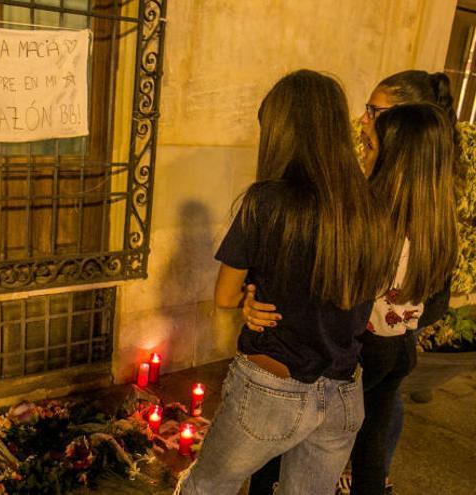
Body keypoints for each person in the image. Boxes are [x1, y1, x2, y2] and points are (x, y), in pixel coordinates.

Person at [175, 70, 392, 495]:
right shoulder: (369, 205)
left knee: (207, 487)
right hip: (344, 392)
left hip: (272, 387)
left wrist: (249, 297)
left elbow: (224, 294)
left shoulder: (267, 201)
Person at [246, 71, 459, 495]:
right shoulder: (438, 213)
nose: (363, 124)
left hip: (356, 349)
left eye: (374, 116)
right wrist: (402, 317)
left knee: (298, 438)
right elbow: (433, 299)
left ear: (401, 138)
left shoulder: (374, 211)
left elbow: (337, 287)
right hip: (397, 348)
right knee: (370, 449)